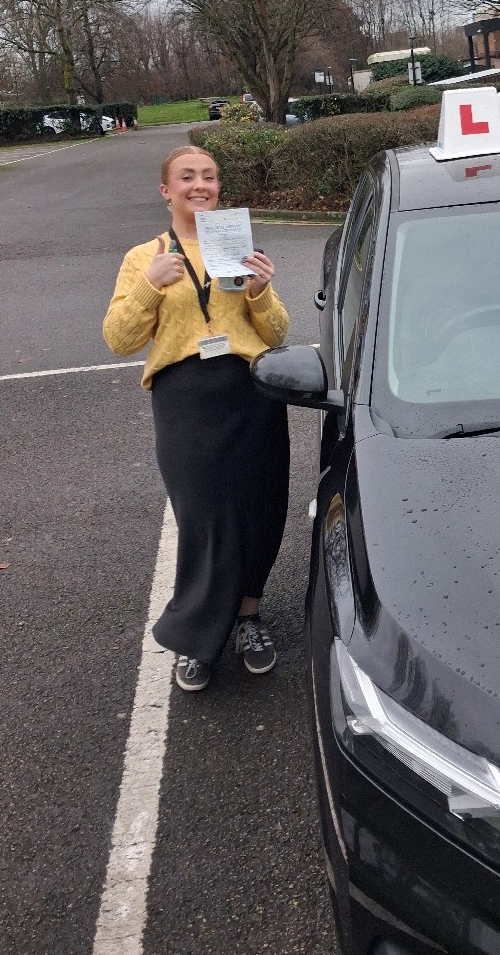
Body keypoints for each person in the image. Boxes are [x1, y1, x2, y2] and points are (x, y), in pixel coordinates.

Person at [103, 145, 290, 692]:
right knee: (204, 517)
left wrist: (260, 292)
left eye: (209, 176)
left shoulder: (238, 246)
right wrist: (149, 285)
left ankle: (248, 618)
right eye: (187, 177)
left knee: (261, 507)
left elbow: (276, 333)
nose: (200, 184)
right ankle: (198, 637)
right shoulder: (145, 256)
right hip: (186, 398)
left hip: (250, 391)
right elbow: (120, 339)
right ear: (167, 190)